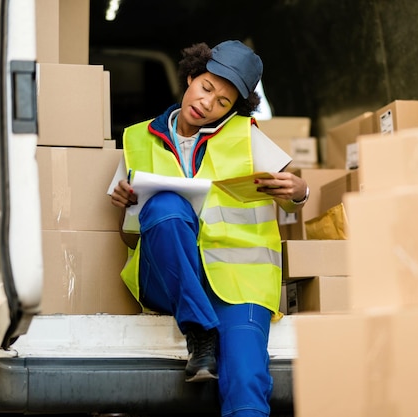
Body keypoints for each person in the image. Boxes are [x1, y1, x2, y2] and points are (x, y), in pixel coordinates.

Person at [108, 40, 309, 417]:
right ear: (191, 77)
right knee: (166, 207)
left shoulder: (246, 136)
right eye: (206, 88)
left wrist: (300, 190)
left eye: (223, 102)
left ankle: (211, 340)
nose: (207, 104)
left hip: (238, 284)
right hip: (168, 282)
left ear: (234, 108)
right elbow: (128, 238)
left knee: (247, 381)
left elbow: (289, 194)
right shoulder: (136, 138)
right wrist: (124, 205)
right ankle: (200, 331)